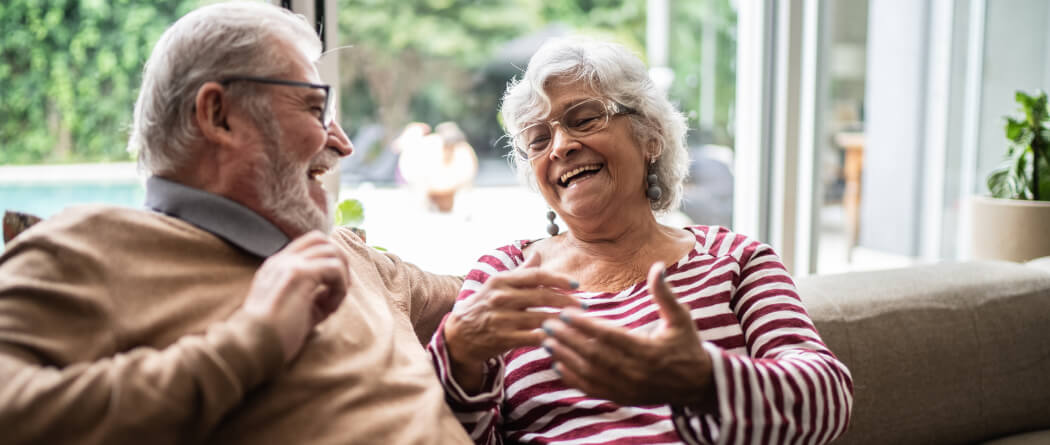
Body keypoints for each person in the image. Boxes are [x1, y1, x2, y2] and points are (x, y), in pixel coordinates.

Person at [0, 3, 471, 444]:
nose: (345, 145)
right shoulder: (87, 248)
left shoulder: (349, 253)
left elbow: (486, 286)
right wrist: (251, 342)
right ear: (218, 116)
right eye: (314, 109)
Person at [427, 38, 854, 444]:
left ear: (650, 136)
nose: (559, 146)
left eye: (584, 118)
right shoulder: (504, 274)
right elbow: (445, 435)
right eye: (538, 139)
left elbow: (828, 400)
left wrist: (703, 379)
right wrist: (458, 358)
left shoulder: (736, 259)